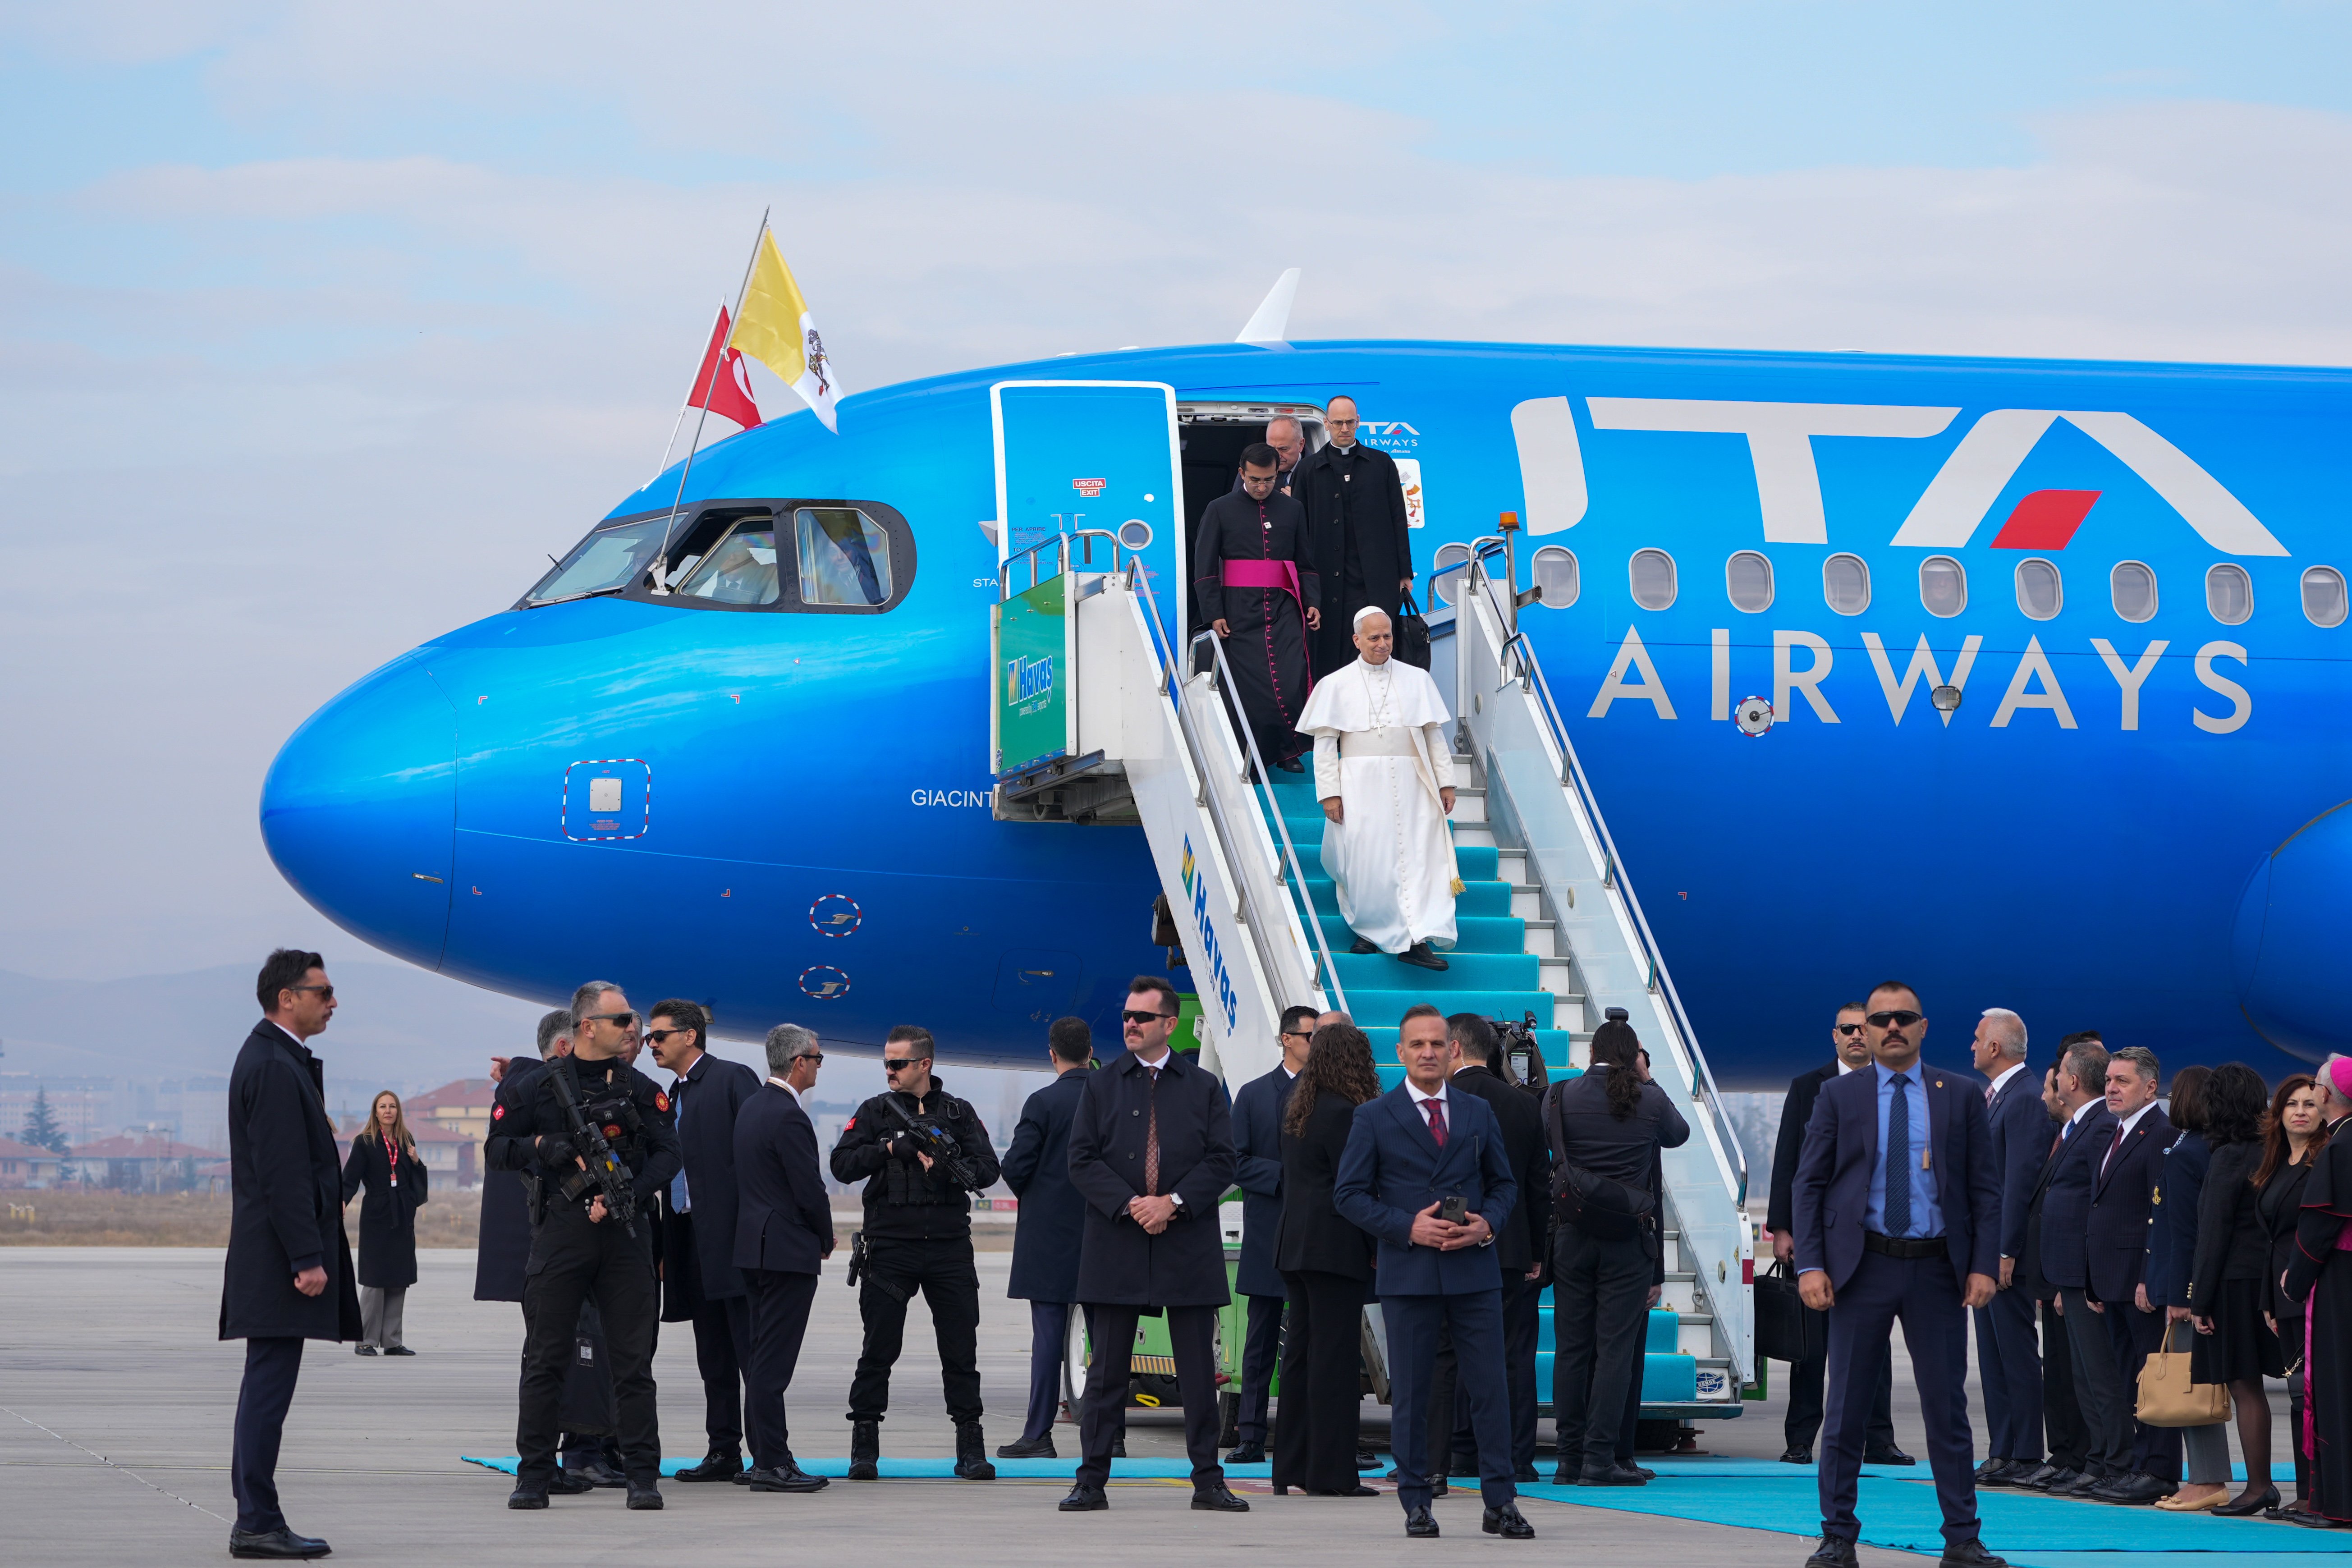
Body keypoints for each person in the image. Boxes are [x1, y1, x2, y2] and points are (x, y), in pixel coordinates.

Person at [1790, 981, 2002, 1568]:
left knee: (1946, 1409)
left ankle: (1962, 1537)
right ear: (1865, 1026)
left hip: (1936, 1269)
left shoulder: (1959, 1095)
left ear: (1922, 1026)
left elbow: (1986, 1188)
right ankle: (1837, 1535)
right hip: (1861, 1268)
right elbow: (1808, 1183)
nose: (1889, 1027)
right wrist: (1810, 1262)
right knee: (1846, 1409)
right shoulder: (1839, 1095)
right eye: (1877, 1018)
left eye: (1901, 1017)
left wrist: (1984, 1262)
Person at [1333, 1004, 1533, 1540]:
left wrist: (1486, 1226)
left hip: (1474, 1270)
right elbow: (1348, 1194)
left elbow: (1505, 1186)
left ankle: (1501, 1501)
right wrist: (1406, 1228)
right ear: (1400, 1053)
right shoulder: (1374, 1116)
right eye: (1417, 1045)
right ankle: (1417, 1501)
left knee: (1491, 1389)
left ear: (1452, 1051)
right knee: (1416, 1395)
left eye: (1436, 1044)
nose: (1427, 1052)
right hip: (1410, 1274)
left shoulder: (1476, 1112)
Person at [1059, 977, 1248, 1515]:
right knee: (1105, 1374)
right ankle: (1091, 1481)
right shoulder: (1100, 1086)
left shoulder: (1204, 1087)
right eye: (1126, 1016)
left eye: (1142, 1017)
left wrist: (1173, 1202)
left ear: (1170, 1023)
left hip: (1185, 1244)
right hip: (1116, 1244)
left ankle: (1208, 1482)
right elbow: (1082, 1160)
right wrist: (1132, 1204)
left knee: (1196, 1372)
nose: (1131, 1024)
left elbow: (1222, 1160)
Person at [490, 981, 679, 1512]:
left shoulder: (642, 1088)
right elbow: (497, 1149)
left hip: (625, 1232)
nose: (632, 1029)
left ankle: (643, 1475)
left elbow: (670, 1154)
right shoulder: (538, 1087)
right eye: (621, 1020)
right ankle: (534, 1475)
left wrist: (630, 1194)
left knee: (633, 1363)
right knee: (546, 1358)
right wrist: (544, 1146)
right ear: (587, 1027)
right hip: (564, 1229)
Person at [221, 949, 360, 1561]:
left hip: (275, 1255)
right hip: (280, 1260)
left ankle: (258, 1514)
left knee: (266, 1385)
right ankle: (255, 1519)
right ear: (287, 997)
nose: (333, 1002)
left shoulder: (279, 1058)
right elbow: (282, 1174)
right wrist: (307, 1256)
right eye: (323, 991)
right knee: (268, 1389)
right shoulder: (275, 1066)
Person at [830, 1024, 1003, 1481]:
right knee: (879, 1349)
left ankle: (970, 1444)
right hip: (890, 1248)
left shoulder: (959, 1112)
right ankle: (864, 1443)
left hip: (948, 1249)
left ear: (924, 1064)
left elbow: (989, 1168)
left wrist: (951, 1170)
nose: (890, 1070)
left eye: (898, 1063)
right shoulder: (874, 1111)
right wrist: (890, 1148)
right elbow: (842, 1164)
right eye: (887, 1062)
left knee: (960, 1351)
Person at [1546, 1012, 1688, 1486]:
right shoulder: (1647, 1099)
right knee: (1615, 1351)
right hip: (1628, 1240)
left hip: (1572, 1234)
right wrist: (1647, 1077)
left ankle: (1567, 1458)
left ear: (1591, 1053)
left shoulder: (1561, 1095)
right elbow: (1678, 1133)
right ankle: (1599, 1457)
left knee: (1571, 1348)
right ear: (1635, 1057)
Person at [1765, 1001, 1904, 1467]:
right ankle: (1802, 1437)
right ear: (1835, 1035)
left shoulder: (1894, 1087)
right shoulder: (1808, 1087)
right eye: (1849, 1029)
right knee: (1812, 1345)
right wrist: (1782, 1227)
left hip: (1876, 1237)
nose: (1858, 1036)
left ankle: (1879, 1439)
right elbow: (1788, 1160)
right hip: (1820, 1235)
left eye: (1866, 1028)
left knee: (1876, 1340)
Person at [1424, 1013, 1550, 1484]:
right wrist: (1536, 1248)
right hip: (1511, 1248)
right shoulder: (1523, 1104)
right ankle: (1518, 1455)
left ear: (1454, 1048)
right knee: (1513, 1354)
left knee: (1450, 1352)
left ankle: (1459, 1449)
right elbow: (1536, 1185)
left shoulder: (1445, 1102)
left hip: (1454, 1245)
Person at [1296, 605, 1458, 972]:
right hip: (1358, 783)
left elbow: (1434, 735)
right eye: (1374, 638)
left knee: (1419, 857)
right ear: (1357, 640)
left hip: (1414, 780)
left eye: (1387, 636)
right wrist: (1329, 793)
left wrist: (1445, 782)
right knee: (1364, 858)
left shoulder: (1416, 679)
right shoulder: (1335, 684)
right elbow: (1324, 744)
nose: (1383, 644)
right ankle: (1369, 930)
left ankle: (1418, 937)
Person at [644, 999, 762, 1483]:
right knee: (711, 1353)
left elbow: (759, 1155)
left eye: (660, 1035)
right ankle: (724, 1451)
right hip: (689, 1239)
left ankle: (769, 1453)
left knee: (750, 1352)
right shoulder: (671, 1094)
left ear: (690, 1035)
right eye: (650, 1037)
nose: (652, 1044)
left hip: (733, 1240)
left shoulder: (733, 1079)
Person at [1270, 1020, 1381, 1497]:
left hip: (1295, 1245)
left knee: (1299, 1357)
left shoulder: (1301, 1107)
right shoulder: (1347, 1113)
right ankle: (1332, 1474)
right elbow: (1353, 1189)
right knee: (1335, 1362)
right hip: (1335, 1249)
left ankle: (1290, 1466)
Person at [732, 1024, 835, 1493]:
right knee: (772, 1366)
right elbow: (808, 1189)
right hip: (787, 1251)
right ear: (798, 1062)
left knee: (758, 1360)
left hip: (753, 1246)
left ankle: (764, 1456)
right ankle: (774, 1461)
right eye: (816, 1058)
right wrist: (825, 1235)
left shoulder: (753, 1107)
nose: (817, 1066)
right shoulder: (790, 1117)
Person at [2175, 1063, 2280, 1514]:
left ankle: (2259, 1485)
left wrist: (2199, 1300)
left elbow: (2213, 1231)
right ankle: (2270, 1484)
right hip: (2268, 1278)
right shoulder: (2271, 1149)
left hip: (2234, 1283)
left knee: (2244, 1385)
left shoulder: (2229, 1154)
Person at [2077, 1045, 2177, 1504]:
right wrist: (2093, 1279)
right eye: (2110, 1080)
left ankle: (2158, 1468)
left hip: (2139, 1281)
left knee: (2149, 1374)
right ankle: (2138, 1463)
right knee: (2127, 1376)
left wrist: (2147, 1278)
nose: (2112, 1088)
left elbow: (2161, 1215)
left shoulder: (2160, 1134)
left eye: (2123, 1081)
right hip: (2109, 1279)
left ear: (2151, 1087)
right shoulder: (2112, 1133)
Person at [999, 1016, 1100, 1460]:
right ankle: (1109, 1433)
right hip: (1104, 1237)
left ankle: (1038, 1434)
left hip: (1049, 1242)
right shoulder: (1113, 1099)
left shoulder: (1042, 1103)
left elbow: (1016, 1167)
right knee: (1108, 1341)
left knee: (1048, 1343)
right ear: (1092, 1052)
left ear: (1052, 1054)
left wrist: (1041, 1199)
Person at [1196, 444, 1322, 775]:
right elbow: (1205, 567)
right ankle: (1255, 755)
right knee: (1252, 689)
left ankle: (1289, 749)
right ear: (1241, 474)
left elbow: (1305, 563)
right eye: (1254, 480)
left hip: (1284, 607)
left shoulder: (1292, 509)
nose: (1262, 487)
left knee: (1293, 677)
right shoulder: (1219, 509)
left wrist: (1312, 603)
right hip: (1238, 612)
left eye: (1268, 480)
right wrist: (1214, 613)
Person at [1227, 1004, 1317, 1463]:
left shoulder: (1329, 1094)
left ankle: (1315, 1433)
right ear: (1287, 1039)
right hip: (1268, 1230)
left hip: (1316, 1232)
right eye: (1309, 1036)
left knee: (1316, 1338)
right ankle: (1251, 1433)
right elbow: (1235, 1161)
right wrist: (1286, 1176)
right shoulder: (1253, 1095)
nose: (1316, 1044)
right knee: (1260, 1340)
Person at [2034, 1035, 2120, 1499]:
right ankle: (2095, 1460)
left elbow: (2096, 1203)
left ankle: (2109, 1461)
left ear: (2071, 1079)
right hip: (2065, 1272)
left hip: (2082, 1272)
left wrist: (2087, 1278)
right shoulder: (2076, 1126)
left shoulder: (2101, 1125)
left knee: (2098, 1375)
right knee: (2083, 1376)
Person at [1966, 1010, 2041, 1485]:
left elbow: (2019, 1183)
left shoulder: (2025, 1098)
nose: (1971, 1046)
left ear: (1996, 1048)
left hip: (2004, 1255)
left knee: (2015, 1353)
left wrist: (2006, 1250)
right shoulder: (1997, 1097)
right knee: (1992, 1356)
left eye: (1977, 1039)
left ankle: (2027, 1451)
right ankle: (2002, 1449)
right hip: (1985, 1252)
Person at [1291, 394, 1413, 678]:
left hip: (1375, 577)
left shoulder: (1381, 464)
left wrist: (1404, 572)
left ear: (1358, 422)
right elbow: (1297, 530)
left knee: (1378, 646)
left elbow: (1399, 520)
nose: (1344, 429)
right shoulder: (1309, 470)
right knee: (1331, 650)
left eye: (1350, 422)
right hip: (1327, 579)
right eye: (1337, 423)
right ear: (1326, 424)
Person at [2142, 1065, 2215, 1510]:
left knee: (2193, 1388)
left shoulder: (2188, 1152)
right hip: (2182, 1282)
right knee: (2194, 1386)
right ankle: (2203, 1475)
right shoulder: (2193, 1147)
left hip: (2185, 1289)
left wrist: (2181, 1296)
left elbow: (2185, 1231)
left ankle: (2206, 1478)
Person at [2255, 1073, 2327, 1519]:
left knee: (2315, 1395)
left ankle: (2315, 1493)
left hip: (2316, 1288)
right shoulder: (2275, 1163)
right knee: (2299, 1396)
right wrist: (2268, 1299)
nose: (2301, 1111)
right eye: (2291, 1104)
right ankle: (2304, 1491)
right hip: (2281, 1293)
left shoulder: (2324, 1160)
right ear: (2279, 1113)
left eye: (2310, 1104)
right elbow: (2270, 1239)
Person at [2286, 1055, 2352, 1525]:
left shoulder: (2341, 1145)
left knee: (2334, 1387)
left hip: (2339, 1279)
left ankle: (2338, 1504)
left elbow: (2321, 1223)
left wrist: (2296, 1277)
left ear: (2327, 1095)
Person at [341, 1090, 426, 1357]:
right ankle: (364, 1340)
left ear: (398, 1111)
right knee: (375, 1278)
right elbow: (350, 1178)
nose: (388, 1111)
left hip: (401, 1214)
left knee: (398, 1278)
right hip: (376, 1213)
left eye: (392, 1106)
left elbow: (417, 1178)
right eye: (382, 1107)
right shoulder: (364, 1142)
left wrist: (416, 1161)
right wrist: (341, 1201)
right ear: (375, 1112)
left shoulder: (405, 1140)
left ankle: (392, 1341)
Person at [1233, 414, 1307, 495]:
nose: (1277, 456)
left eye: (1283, 449)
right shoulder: (1252, 467)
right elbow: (1236, 503)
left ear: (1301, 445)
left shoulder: (1316, 471)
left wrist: (1299, 502)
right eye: (1271, 449)